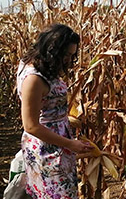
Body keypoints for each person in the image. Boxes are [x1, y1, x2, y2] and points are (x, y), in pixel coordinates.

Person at [17, 24, 94, 199]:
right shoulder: (34, 79)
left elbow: (46, 106)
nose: (68, 60)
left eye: (72, 55)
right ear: (52, 49)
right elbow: (31, 125)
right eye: (66, 54)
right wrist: (70, 144)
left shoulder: (40, 66)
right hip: (47, 149)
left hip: (57, 144)